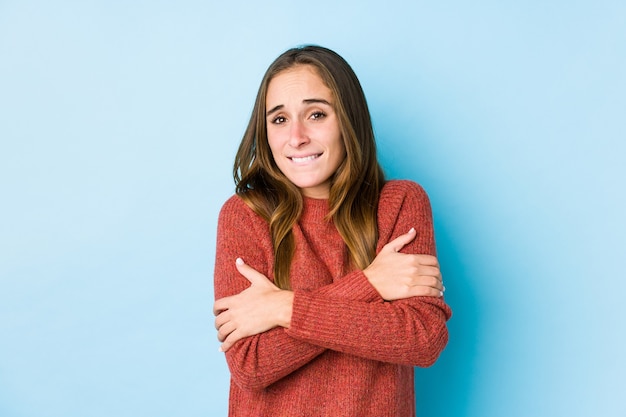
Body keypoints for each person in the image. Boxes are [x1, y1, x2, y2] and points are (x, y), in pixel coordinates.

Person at [213, 45, 452, 417]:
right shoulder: (245, 216)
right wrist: (370, 284)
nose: (296, 137)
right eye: (279, 120)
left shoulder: (400, 203)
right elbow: (251, 364)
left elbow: (422, 338)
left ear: (348, 120)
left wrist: (281, 306)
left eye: (316, 114)